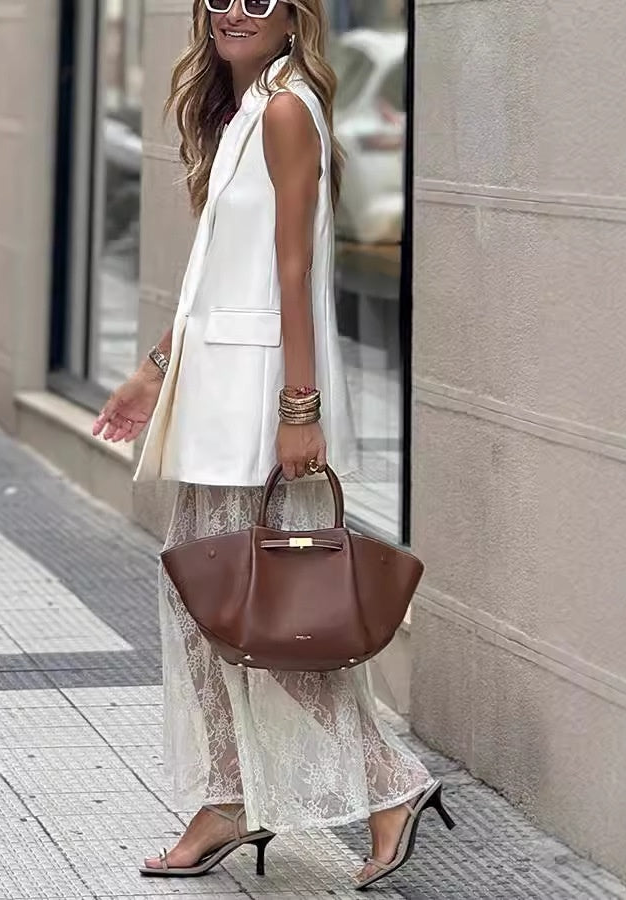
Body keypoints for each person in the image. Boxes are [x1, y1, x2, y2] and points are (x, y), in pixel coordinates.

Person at [93, 0, 453, 889]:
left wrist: (300, 407)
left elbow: (295, 271)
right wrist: (153, 370)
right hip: (219, 396)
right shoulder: (248, 108)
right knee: (210, 603)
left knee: (266, 612)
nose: (234, 12)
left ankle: (382, 783)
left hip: (255, 407)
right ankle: (233, 794)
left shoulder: (287, 109)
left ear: (294, 16)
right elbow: (215, 276)